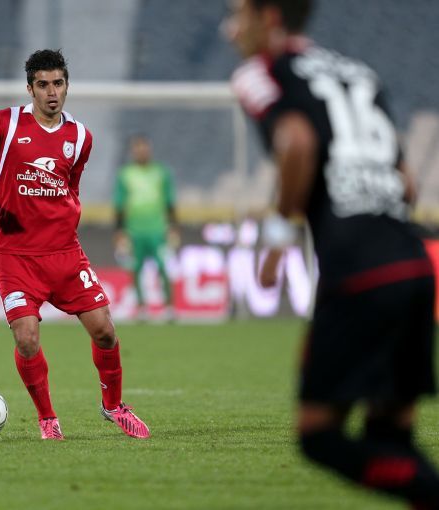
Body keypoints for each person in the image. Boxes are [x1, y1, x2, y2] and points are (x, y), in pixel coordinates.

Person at [226, 0, 439, 506]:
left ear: (269, 18)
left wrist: (277, 241)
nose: (229, 28)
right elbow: (407, 184)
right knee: (391, 436)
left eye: (238, 14)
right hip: (413, 263)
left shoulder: (260, 74)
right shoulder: (358, 72)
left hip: (359, 275)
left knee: (319, 435)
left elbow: (297, 144)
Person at [0, 49, 149, 440]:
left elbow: (69, 188)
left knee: (105, 331)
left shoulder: (81, 137)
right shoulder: (5, 123)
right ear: (30, 89)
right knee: (26, 338)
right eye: (43, 85)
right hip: (15, 254)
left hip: (64, 253)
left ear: (67, 86)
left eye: (58, 83)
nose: (51, 92)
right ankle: (48, 419)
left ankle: (113, 406)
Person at [114, 135, 178, 321]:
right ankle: (142, 307)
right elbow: (119, 203)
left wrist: (173, 226)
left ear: (149, 150)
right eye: (138, 149)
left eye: (144, 148)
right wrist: (120, 230)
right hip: (134, 230)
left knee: (163, 267)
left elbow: (169, 201)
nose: (141, 152)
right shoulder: (125, 174)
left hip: (158, 229)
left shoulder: (161, 172)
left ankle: (169, 307)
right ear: (133, 152)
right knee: (135, 269)